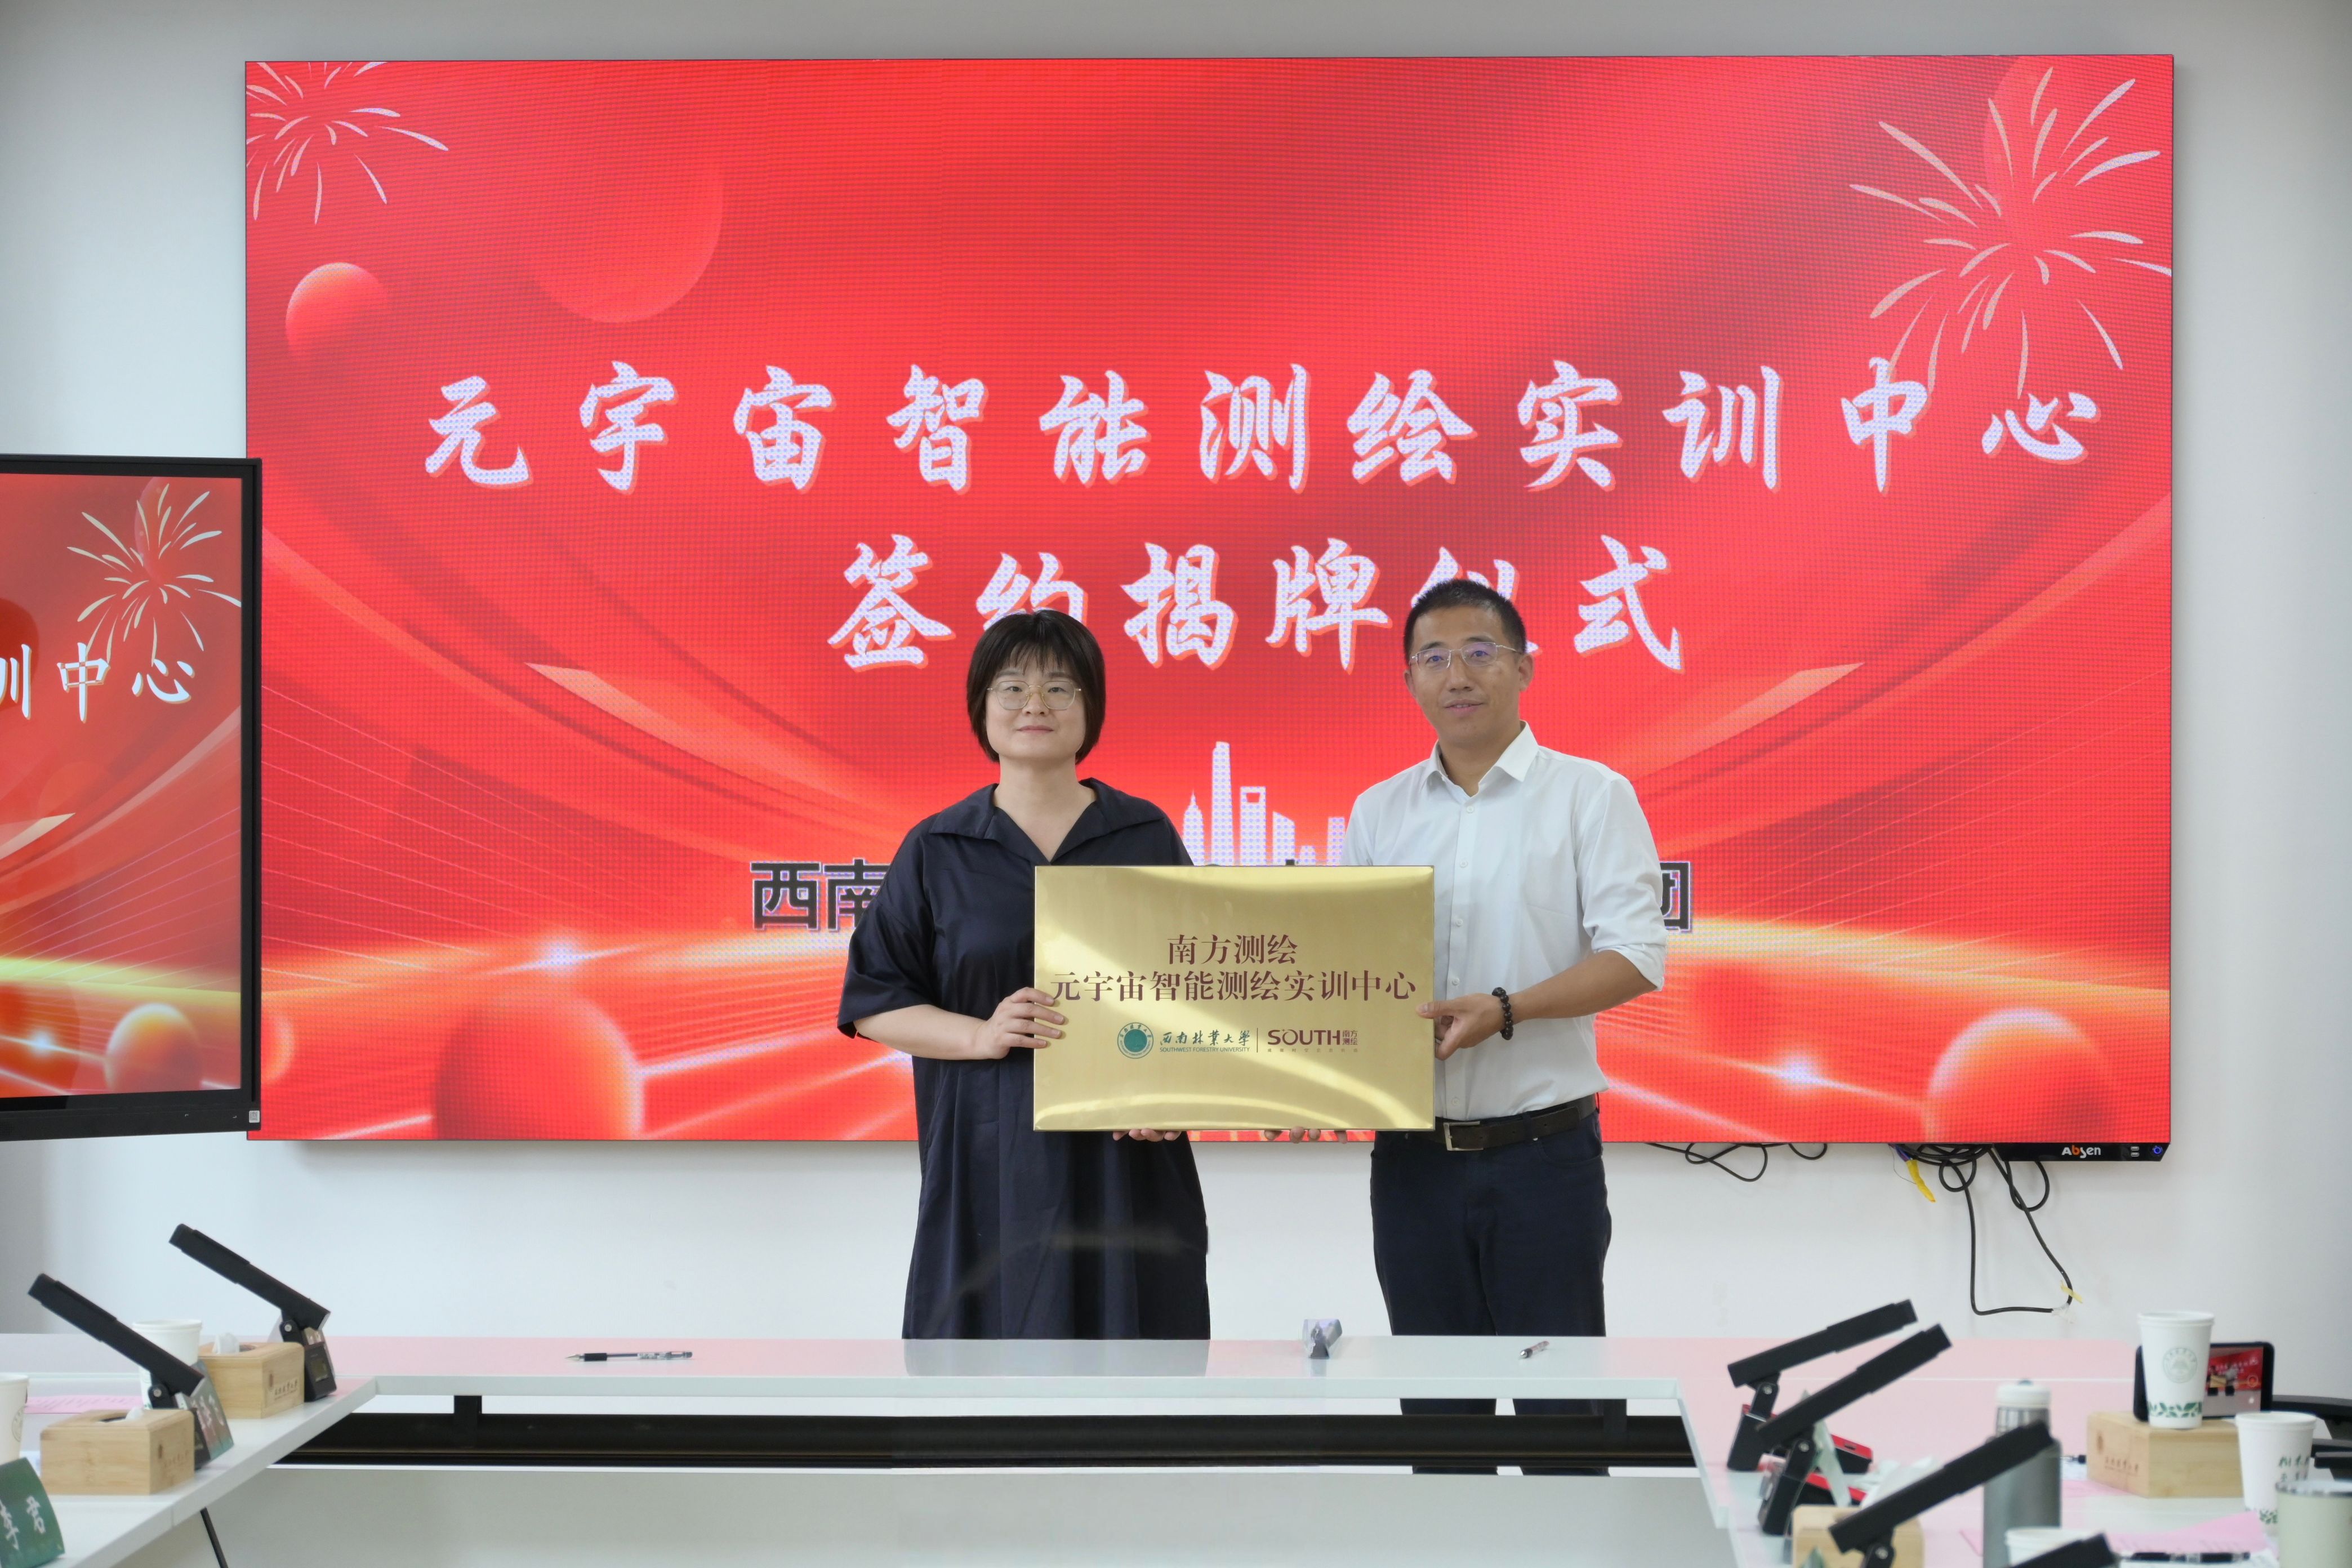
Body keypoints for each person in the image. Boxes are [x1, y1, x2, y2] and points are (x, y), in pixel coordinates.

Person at [1337, 578, 1667, 1460]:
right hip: (1412, 1164)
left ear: (1524, 668)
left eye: (1480, 652)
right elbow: (1347, 972)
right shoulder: (1377, 812)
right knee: (1442, 1431)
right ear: (1410, 680)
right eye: (1434, 658)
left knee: (1565, 1428)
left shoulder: (1590, 796)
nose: (1458, 675)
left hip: (1541, 1162)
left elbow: (1636, 955)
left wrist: (1508, 1010)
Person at [838, 609, 1210, 1340]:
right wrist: (981, 1035)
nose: (1035, 704)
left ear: (1091, 708)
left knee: (1135, 1363)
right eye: (1012, 687)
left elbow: (1202, 991)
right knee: (984, 1373)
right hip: (987, 1157)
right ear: (982, 708)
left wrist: (1175, 1091)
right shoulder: (938, 847)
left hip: (1126, 1156)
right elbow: (877, 999)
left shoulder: (1144, 835)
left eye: (1059, 688)